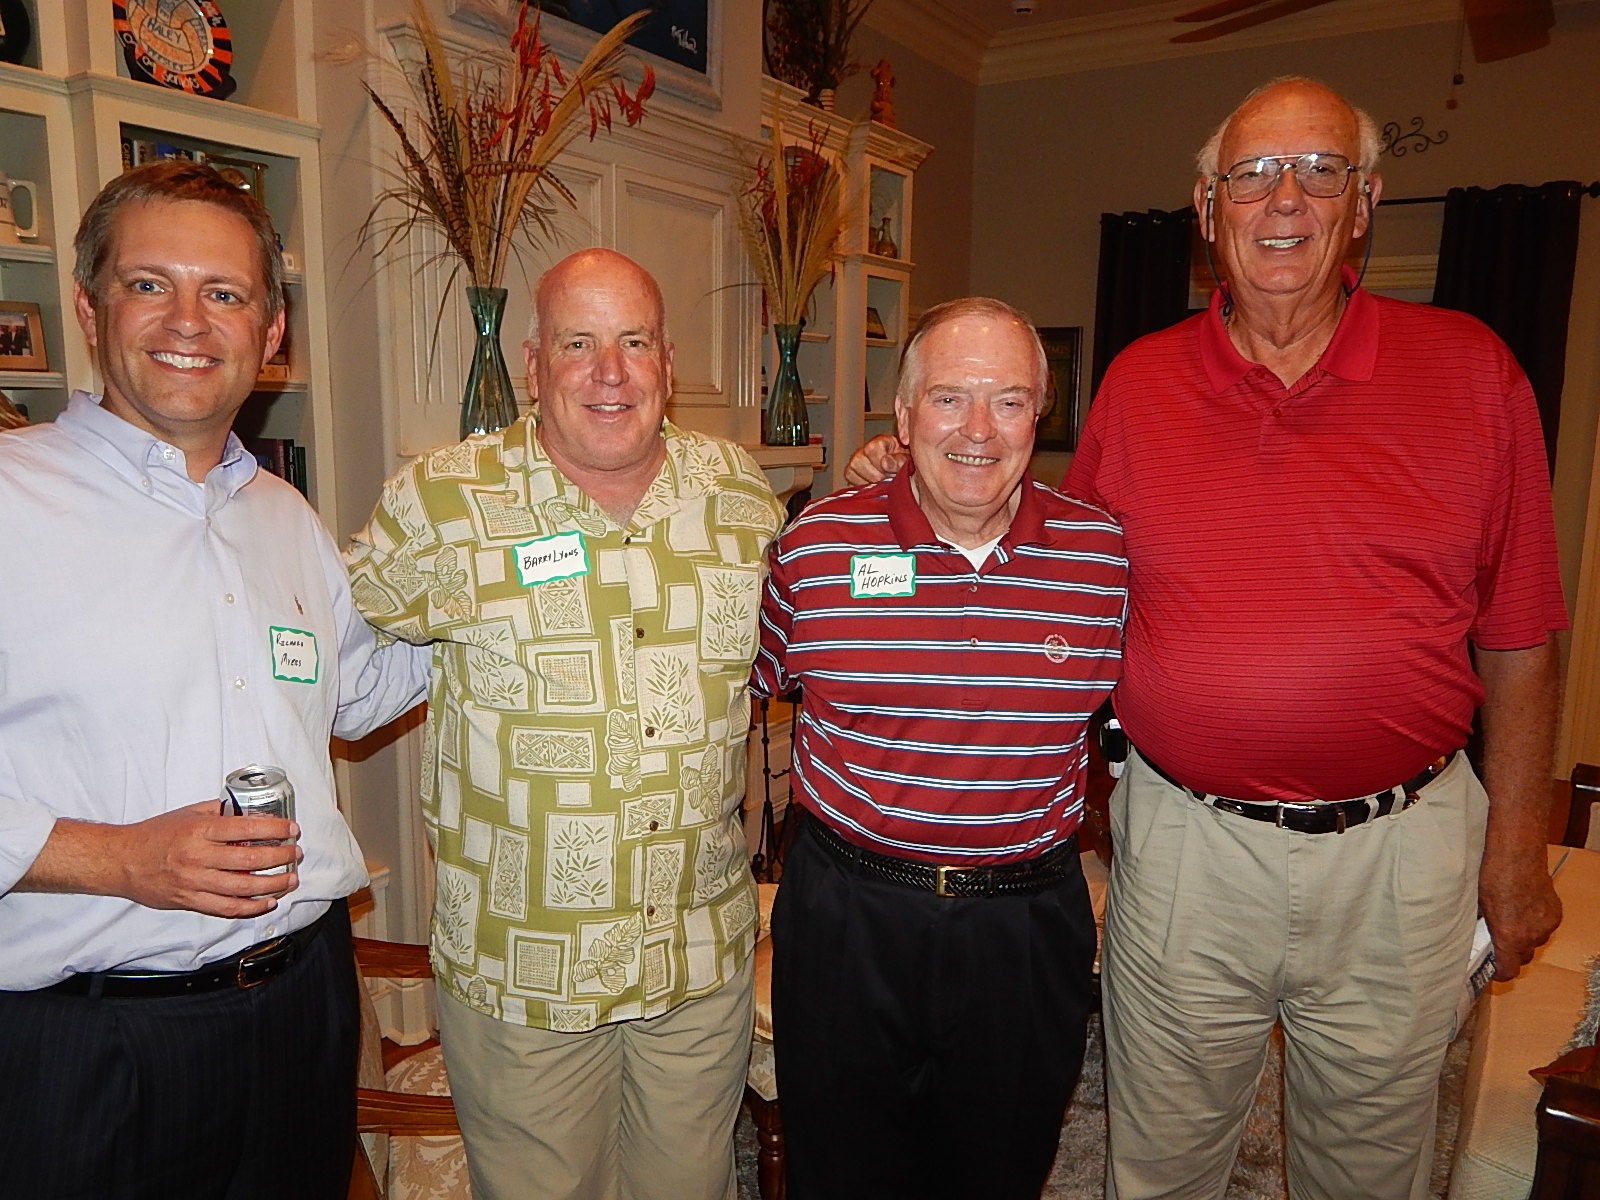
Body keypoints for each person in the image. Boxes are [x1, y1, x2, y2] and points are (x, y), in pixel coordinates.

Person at [847, 77, 1567, 1200]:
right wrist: (908, 479)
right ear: (1204, 204)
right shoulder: (1140, 385)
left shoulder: (1472, 372)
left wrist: (1516, 851)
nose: (1283, 199)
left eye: (1318, 170)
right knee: (1160, 1158)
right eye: (1251, 174)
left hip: (1400, 852)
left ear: (1363, 201)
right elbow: (1048, 559)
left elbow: (1520, 635)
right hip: (1186, 846)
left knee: (1371, 1165)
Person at [0, 159, 430, 1198]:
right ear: (90, 307)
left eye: (225, 293)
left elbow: (356, 692)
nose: (188, 319)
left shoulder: (282, 512)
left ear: (271, 332)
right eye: (150, 283)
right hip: (91, 1039)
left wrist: (508, 594)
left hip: (301, 1010)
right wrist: (113, 858)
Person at [345, 247, 786, 1200]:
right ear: (533, 364)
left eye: (633, 342)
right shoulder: (440, 503)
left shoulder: (740, 495)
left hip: (693, 950)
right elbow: (316, 656)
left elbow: (828, 606)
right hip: (525, 965)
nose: (610, 372)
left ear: (668, 361)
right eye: (579, 344)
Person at [756, 298, 1127, 1199]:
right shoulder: (813, 548)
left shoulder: (1103, 560)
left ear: (1038, 415)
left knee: (998, 1172)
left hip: (1024, 924)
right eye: (949, 397)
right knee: (837, 1172)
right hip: (848, 916)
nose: (976, 429)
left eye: (1007, 401)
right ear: (905, 413)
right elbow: (761, 676)